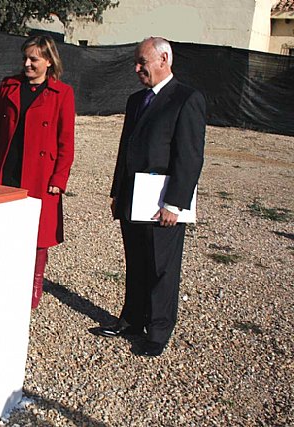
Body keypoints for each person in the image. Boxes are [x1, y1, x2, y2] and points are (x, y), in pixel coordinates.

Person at [97, 37, 206, 357]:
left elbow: (189, 156)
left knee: (161, 266)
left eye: (142, 62)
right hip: (134, 196)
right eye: (136, 62)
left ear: (163, 59)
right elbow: (126, 149)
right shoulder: (137, 100)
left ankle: (158, 330)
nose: (137, 68)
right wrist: (118, 192)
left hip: (162, 202)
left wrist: (175, 203)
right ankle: (132, 319)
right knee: (137, 262)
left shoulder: (186, 99)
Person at [0, 35, 75, 309]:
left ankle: (34, 284)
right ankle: (4, 278)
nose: (27, 64)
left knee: (39, 232)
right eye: (25, 58)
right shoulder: (10, 86)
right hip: (8, 166)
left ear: (49, 61)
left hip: (40, 172)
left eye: (34, 59)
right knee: (4, 225)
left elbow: (66, 140)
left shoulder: (62, 93)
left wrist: (59, 178)